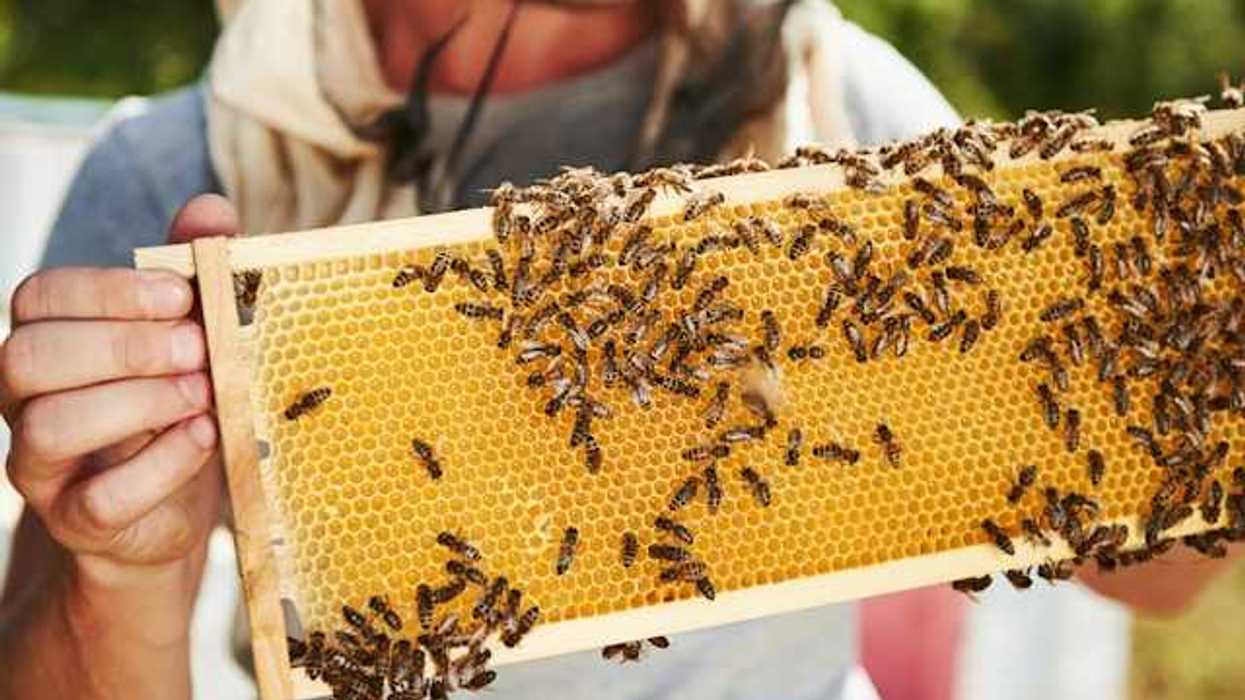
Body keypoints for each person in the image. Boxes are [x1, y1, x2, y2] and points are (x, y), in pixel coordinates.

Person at [0, 1, 1238, 698]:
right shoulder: (181, 174)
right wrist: (117, 568)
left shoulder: (841, 104)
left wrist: (1211, 357)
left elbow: (1163, 571)